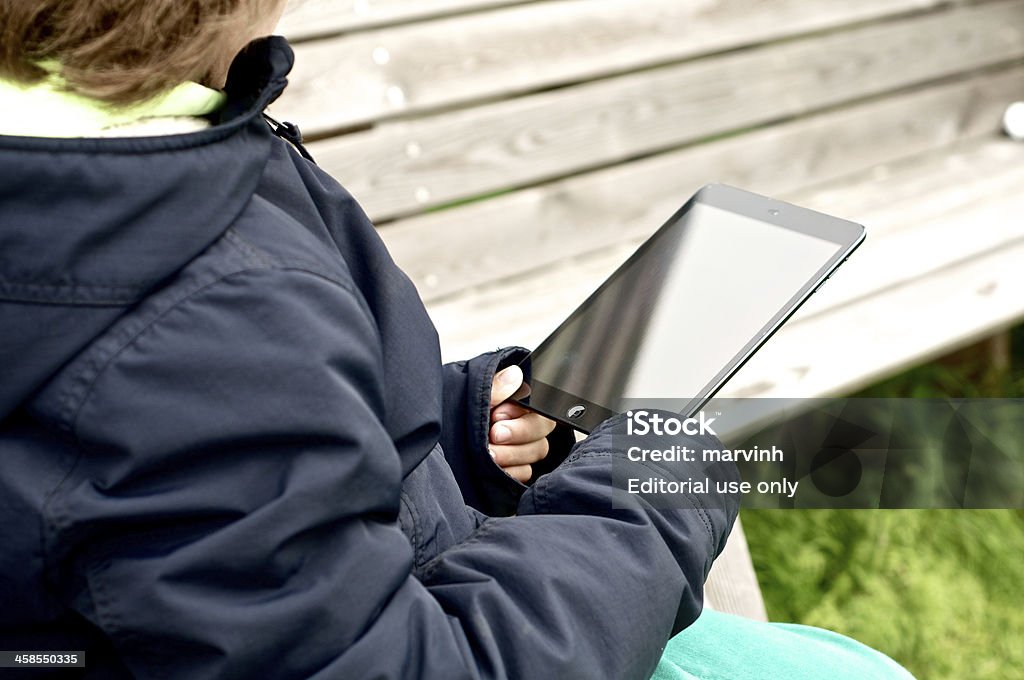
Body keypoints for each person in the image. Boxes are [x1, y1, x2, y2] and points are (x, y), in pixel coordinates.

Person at [0, 1, 915, 678]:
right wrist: (657, 490)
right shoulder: (198, 304)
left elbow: (206, 461)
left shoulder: (117, 154)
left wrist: (451, 423)